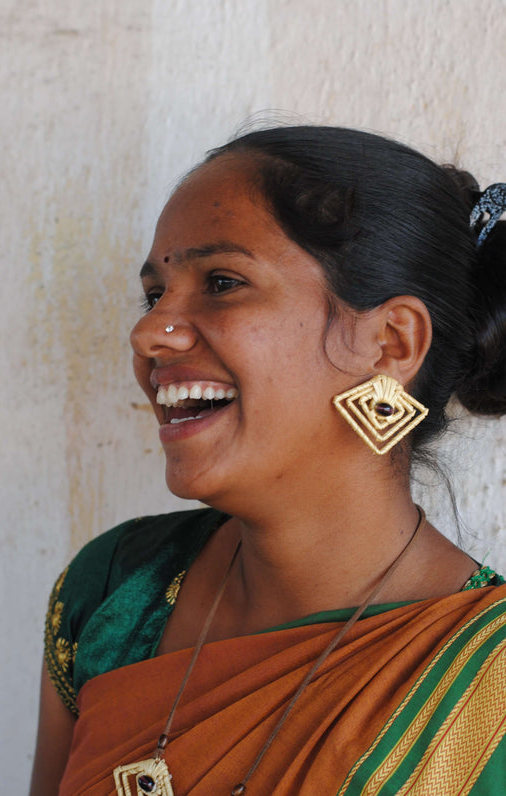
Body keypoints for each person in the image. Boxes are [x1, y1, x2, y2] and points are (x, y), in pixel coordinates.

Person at [30, 126, 506, 796]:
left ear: (391, 344)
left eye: (221, 282)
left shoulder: (486, 692)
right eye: (153, 294)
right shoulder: (113, 593)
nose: (148, 332)